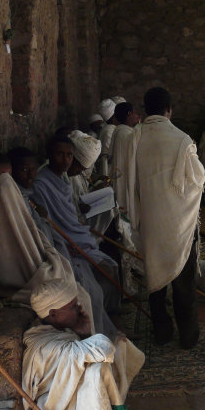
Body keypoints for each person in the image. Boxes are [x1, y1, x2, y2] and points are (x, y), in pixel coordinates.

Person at [0, 152, 118, 336]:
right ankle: (83, 343)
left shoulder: (16, 198)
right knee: (74, 294)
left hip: (36, 261)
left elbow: (33, 234)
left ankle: (96, 340)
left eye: (7, 177)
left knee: (83, 292)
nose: (3, 182)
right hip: (10, 276)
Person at [134, 87, 205, 349]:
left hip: (150, 224)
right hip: (180, 227)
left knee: (155, 282)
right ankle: (188, 336)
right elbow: (199, 180)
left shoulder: (136, 137)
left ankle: (162, 333)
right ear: (169, 109)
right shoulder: (183, 140)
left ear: (145, 109)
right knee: (184, 284)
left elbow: (129, 184)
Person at [22, 276, 144, 410]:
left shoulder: (57, 330)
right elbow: (104, 351)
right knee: (96, 370)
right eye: (73, 306)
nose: (80, 308)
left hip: (70, 397)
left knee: (118, 346)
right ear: (53, 313)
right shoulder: (51, 347)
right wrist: (87, 332)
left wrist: (85, 333)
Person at [33, 133, 122, 314]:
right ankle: (105, 320)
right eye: (60, 154)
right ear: (50, 155)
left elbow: (69, 216)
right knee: (103, 275)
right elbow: (48, 225)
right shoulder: (41, 183)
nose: (65, 160)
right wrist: (69, 244)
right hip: (66, 245)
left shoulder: (64, 179)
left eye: (69, 155)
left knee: (112, 265)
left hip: (78, 237)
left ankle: (112, 316)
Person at [111, 101, 141, 218]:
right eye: (135, 113)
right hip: (125, 177)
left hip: (120, 175)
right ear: (129, 114)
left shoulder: (120, 131)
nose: (137, 116)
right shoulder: (126, 134)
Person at [97, 98, 120, 176]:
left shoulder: (110, 128)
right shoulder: (109, 131)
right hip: (109, 172)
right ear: (113, 117)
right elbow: (107, 157)